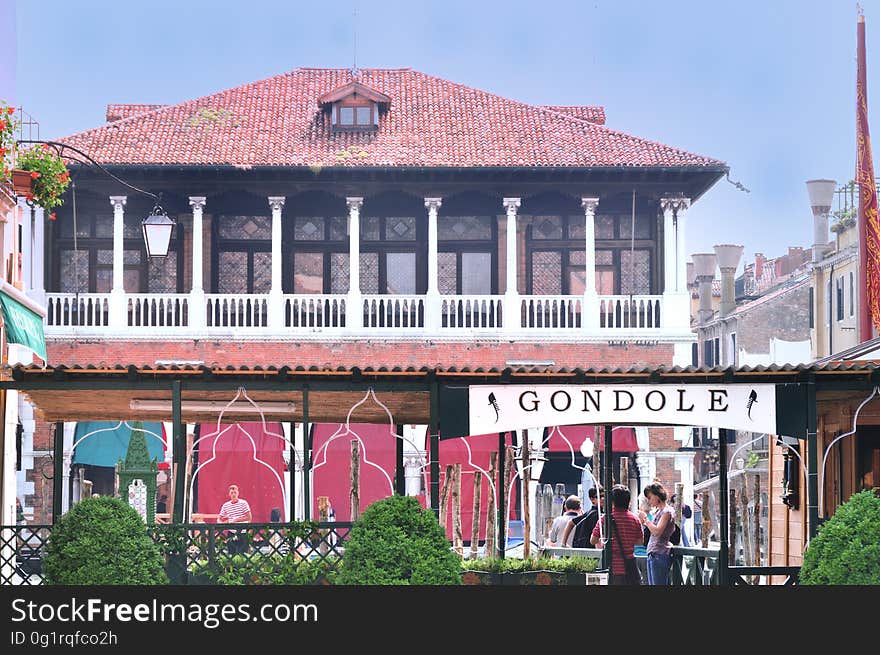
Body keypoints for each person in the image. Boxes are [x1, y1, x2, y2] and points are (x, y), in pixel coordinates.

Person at [590, 484, 642, 585]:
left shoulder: (605, 518)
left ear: (612, 501)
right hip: (630, 567)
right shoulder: (635, 519)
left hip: (612, 566)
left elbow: (593, 540)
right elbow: (640, 541)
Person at [638, 482, 675, 585]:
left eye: (649, 497)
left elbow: (657, 531)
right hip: (654, 553)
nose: (648, 501)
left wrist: (645, 519)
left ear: (657, 495)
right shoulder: (659, 511)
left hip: (659, 553)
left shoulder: (667, 512)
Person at [218, 484, 252, 555]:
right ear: (229, 494)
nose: (233, 494)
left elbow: (249, 517)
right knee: (231, 553)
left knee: (243, 554)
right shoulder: (226, 505)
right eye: (232, 493)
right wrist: (220, 523)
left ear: (238, 493)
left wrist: (236, 520)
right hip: (231, 532)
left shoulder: (243, 503)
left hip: (242, 532)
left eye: (235, 492)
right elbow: (220, 517)